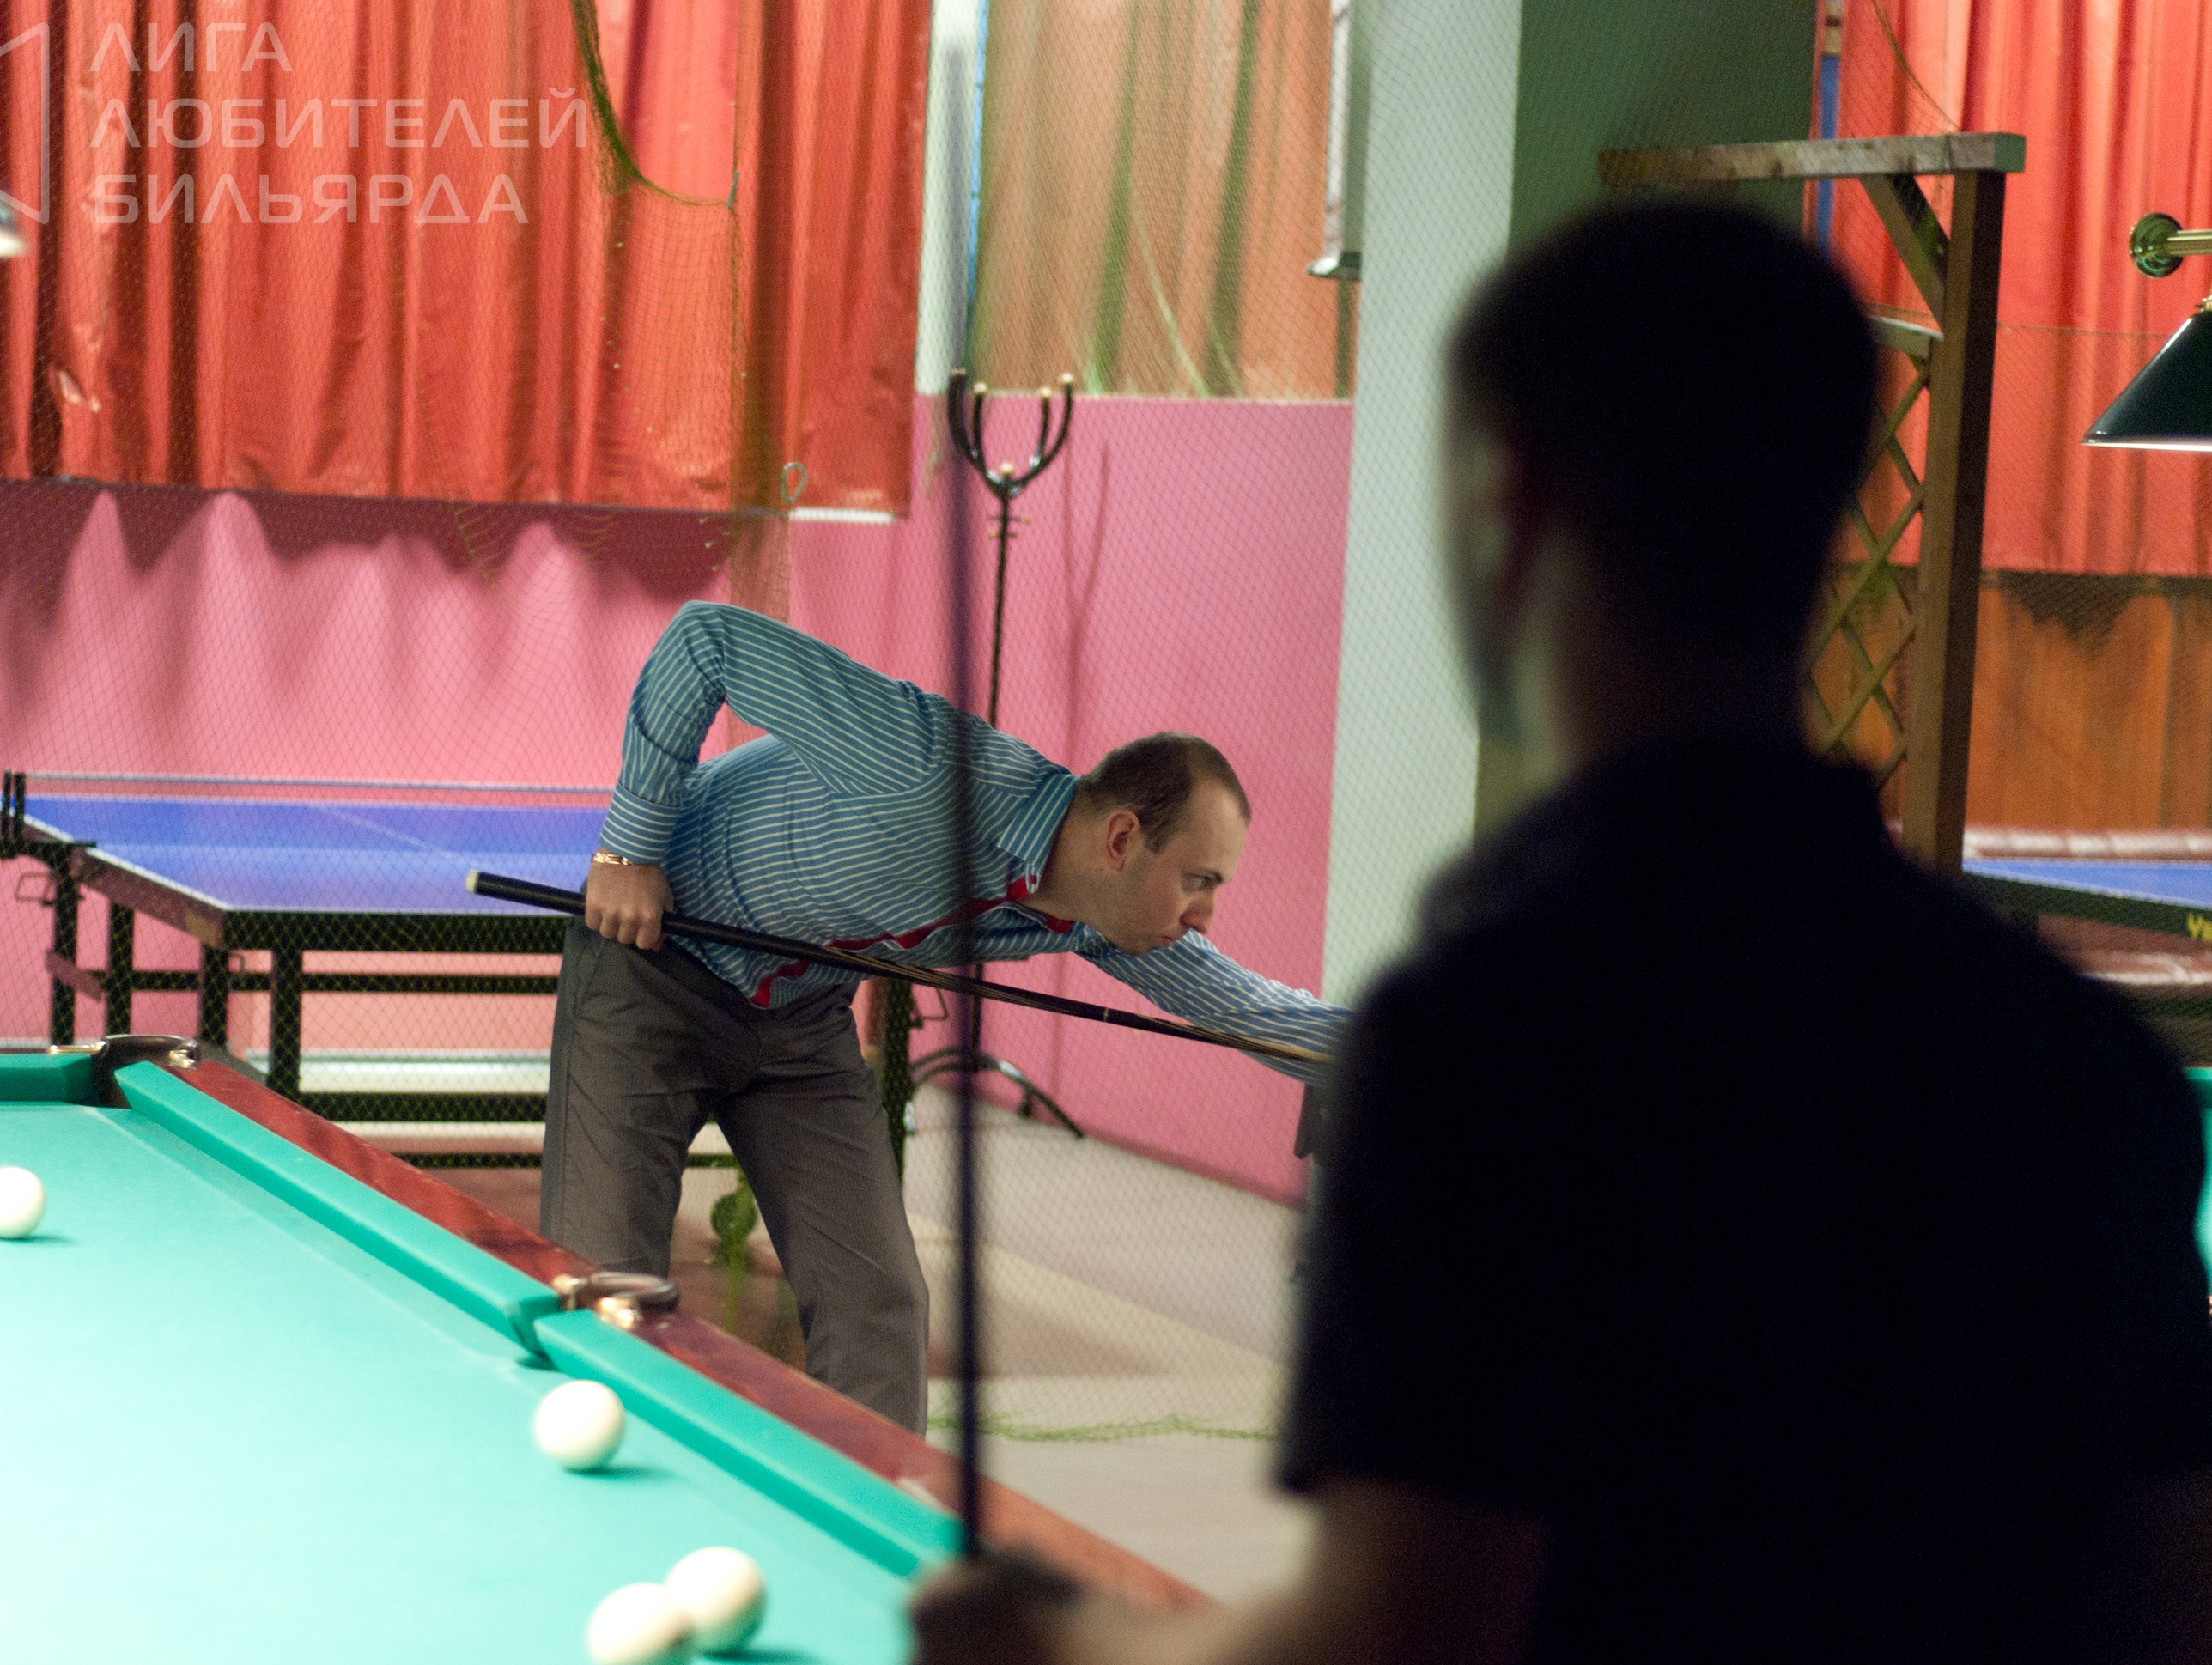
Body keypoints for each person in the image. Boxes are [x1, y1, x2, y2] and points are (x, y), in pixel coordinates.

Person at [910, 199, 2212, 1663]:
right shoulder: (2084, 1059)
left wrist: (1062, 1643)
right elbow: (2166, 1615)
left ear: (1510, 499)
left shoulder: (1482, 1041)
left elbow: (1397, 1635)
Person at [549, 602, 1346, 1431]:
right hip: (652, 972)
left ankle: (869, 1505)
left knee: (879, 1305)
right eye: (1198, 880)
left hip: (800, 1020)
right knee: (604, 1286)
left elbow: (1245, 1008)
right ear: (1120, 840)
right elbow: (705, 641)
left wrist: (1422, 1048)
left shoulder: (1090, 910)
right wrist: (629, 849)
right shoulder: (926, 763)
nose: (1205, 915)